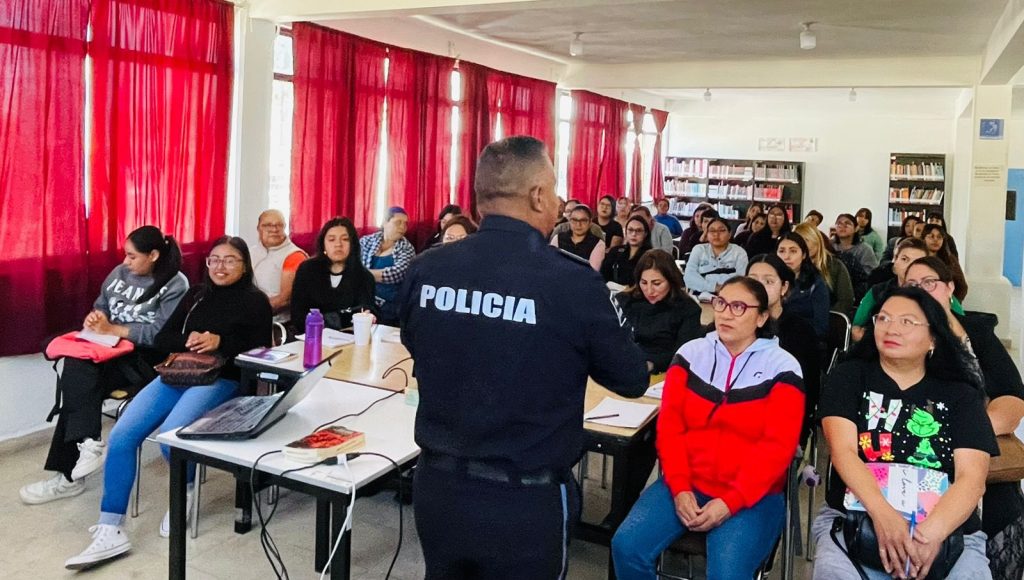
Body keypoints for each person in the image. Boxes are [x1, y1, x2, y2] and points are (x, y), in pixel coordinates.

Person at [397, 136, 649, 579]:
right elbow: (631, 378)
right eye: (553, 191)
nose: (558, 203)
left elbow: (417, 344)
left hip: (438, 488)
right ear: (536, 195)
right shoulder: (573, 283)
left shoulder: (427, 268)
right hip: (525, 501)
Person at [64, 236, 273, 569]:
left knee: (172, 436)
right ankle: (110, 527)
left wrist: (220, 341)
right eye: (214, 260)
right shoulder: (196, 295)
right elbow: (164, 337)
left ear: (244, 264)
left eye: (229, 260)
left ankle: (184, 492)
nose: (220, 267)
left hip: (224, 378)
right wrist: (190, 339)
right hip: (178, 373)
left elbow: (261, 350)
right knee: (122, 435)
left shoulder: (255, 301)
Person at [612, 277, 805, 580]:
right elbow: (671, 429)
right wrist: (679, 489)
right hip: (688, 481)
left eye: (739, 307)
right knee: (626, 547)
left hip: (751, 494)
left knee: (726, 574)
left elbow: (777, 449)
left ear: (762, 317)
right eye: (721, 303)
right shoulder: (691, 354)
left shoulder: (783, 367)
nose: (726, 313)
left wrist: (730, 502)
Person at [811, 287, 997, 580]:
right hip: (856, 519)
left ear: (933, 337)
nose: (891, 328)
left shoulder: (961, 393)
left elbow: (972, 479)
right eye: (883, 319)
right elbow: (844, 453)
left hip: (946, 530)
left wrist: (928, 535)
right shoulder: (849, 377)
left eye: (907, 322)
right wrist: (885, 517)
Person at [20, 226, 188, 506]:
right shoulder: (119, 274)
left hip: (145, 360)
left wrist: (114, 329)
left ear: (154, 255)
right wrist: (96, 320)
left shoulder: (175, 284)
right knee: (76, 370)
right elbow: (102, 306)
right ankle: (87, 444)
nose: (126, 262)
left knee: (78, 387)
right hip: (107, 349)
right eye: (126, 255)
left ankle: (70, 476)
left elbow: (161, 335)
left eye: (133, 256)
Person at [903, 256, 1024, 580]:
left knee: (1002, 504)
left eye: (930, 283)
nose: (922, 291)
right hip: (904, 467)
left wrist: (960, 433)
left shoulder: (976, 333)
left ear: (950, 288)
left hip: (969, 459)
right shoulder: (890, 336)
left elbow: (1012, 400)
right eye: (912, 285)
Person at [747, 254, 821, 443]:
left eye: (768, 281)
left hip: (779, 424)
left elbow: (807, 390)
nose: (759, 287)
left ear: (784, 287)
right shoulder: (735, 325)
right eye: (752, 280)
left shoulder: (801, 331)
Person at [615, 250, 703, 374]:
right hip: (621, 369)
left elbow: (683, 355)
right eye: (644, 283)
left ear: (671, 281)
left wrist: (651, 364)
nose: (649, 291)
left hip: (663, 374)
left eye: (657, 283)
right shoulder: (624, 301)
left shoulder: (688, 309)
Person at [291, 217, 376, 331]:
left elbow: (364, 313)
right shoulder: (307, 270)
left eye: (345, 239)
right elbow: (298, 316)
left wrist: (324, 319)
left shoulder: (364, 277)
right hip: (309, 337)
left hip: (350, 340)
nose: (338, 244)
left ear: (353, 244)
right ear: (323, 244)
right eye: (331, 240)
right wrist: (343, 317)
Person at [850, 237, 929, 342]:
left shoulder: (937, 292)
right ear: (895, 262)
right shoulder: (877, 292)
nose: (909, 266)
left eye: (917, 262)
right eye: (904, 259)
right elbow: (855, 331)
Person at [249, 209, 307, 324]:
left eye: (279, 225)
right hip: (250, 316)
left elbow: (284, 300)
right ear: (258, 228)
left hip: (279, 324)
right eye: (267, 225)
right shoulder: (250, 252)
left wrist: (248, 313)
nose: (274, 230)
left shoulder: (294, 255)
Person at [360, 207, 415, 324]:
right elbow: (352, 263)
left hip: (390, 309)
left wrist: (360, 273)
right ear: (385, 222)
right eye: (398, 222)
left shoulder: (407, 248)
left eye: (405, 224)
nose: (402, 227)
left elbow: (396, 274)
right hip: (363, 303)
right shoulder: (366, 241)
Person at [793, 222, 855, 315]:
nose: (803, 246)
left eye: (806, 240)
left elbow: (846, 300)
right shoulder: (791, 267)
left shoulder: (835, 265)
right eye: (799, 242)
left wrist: (825, 316)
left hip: (828, 319)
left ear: (817, 241)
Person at [777, 233, 829, 338]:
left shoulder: (815, 283)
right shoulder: (770, 281)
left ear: (804, 255)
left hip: (804, 340)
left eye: (793, 251)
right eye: (781, 251)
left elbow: (821, 327)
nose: (786, 257)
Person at [684, 215, 748, 296]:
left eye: (721, 230)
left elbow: (741, 279)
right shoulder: (699, 249)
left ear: (730, 234)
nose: (716, 234)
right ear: (706, 234)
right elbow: (689, 277)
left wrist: (705, 277)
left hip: (730, 296)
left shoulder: (739, 252)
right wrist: (715, 287)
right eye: (712, 231)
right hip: (699, 297)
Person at [831, 213, 879, 295]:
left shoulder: (865, 249)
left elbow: (869, 276)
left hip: (855, 290)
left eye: (847, 223)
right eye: (839, 223)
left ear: (856, 228)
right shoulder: (829, 245)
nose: (842, 226)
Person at [921, 223, 968, 302]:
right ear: (923, 238)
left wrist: (951, 302)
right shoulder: (918, 258)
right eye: (931, 236)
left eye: (939, 237)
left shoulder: (950, 259)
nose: (935, 240)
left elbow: (962, 286)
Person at [552, 204, 606, 271]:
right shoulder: (558, 238)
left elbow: (592, 272)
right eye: (574, 220)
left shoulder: (598, 244)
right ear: (569, 221)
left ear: (590, 222)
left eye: (583, 220)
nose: (578, 224)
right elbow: (552, 264)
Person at [603, 216, 653, 286]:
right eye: (630, 230)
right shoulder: (615, 251)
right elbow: (603, 274)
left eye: (638, 230)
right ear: (626, 232)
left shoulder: (651, 256)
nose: (634, 234)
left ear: (645, 233)